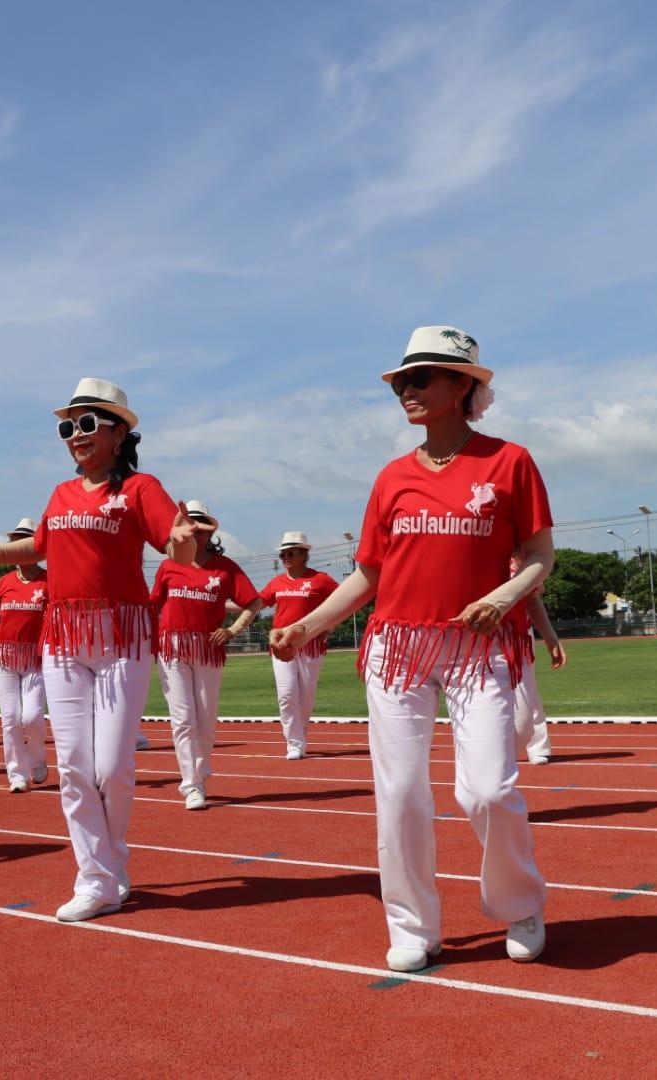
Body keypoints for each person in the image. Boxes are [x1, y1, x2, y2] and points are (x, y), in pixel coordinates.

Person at [270, 326, 551, 970]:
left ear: (462, 385)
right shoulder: (391, 477)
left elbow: (540, 555)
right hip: (397, 647)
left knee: (487, 790)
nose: (406, 389)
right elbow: (368, 574)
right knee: (399, 793)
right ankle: (412, 926)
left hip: (478, 645)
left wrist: (504, 597)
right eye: (401, 380)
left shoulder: (510, 461)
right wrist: (306, 627)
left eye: (420, 378)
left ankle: (520, 903)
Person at [0, 378, 196, 922]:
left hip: (121, 637)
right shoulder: (61, 493)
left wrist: (184, 541)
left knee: (111, 767)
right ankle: (96, 877)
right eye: (68, 427)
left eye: (87, 423)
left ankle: (110, 862)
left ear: (118, 433)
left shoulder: (141, 488)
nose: (75, 435)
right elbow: (38, 545)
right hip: (64, 639)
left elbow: (176, 544)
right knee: (73, 765)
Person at [150, 500, 261, 809]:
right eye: (189, 526)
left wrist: (233, 630)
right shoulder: (168, 566)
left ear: (210, 532)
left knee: (206, 720)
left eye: (199, 527)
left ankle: (199, 773)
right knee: (183, 719)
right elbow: (153, 604)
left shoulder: (226, 568)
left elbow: (254, 602)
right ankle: (192, 784)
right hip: (172, 647)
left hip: (208, 649)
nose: (194, 532)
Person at [257, 532, 339, 760]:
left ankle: (299, 736)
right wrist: (218, 604)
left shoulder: (321, 579)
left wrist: (330, 626)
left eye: (290, 553)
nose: (286, 557)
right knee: (286, 694)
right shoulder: (276, 583)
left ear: (304, 554)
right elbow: (255, 603)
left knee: (306, 697)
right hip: (282, 645)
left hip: (311, 644)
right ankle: (294, 742)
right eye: (283, 554)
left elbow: (345, 602)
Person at [0, 518, 50, 792]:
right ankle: (17, 775)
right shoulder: (3, 582)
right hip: (3, 657)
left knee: (32, 716)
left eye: (22, 541)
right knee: (11, 718)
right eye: (14, 542)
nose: (17, 546)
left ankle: (37, 760)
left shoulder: (49, 581)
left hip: (35, 657)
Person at [513, 556, 564, 766]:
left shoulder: (519, 560)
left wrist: (551, 638)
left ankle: (538, 746)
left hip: (518, 636)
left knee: (528, 692)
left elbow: (533, 596)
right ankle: (494, 749)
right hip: (479, 640)